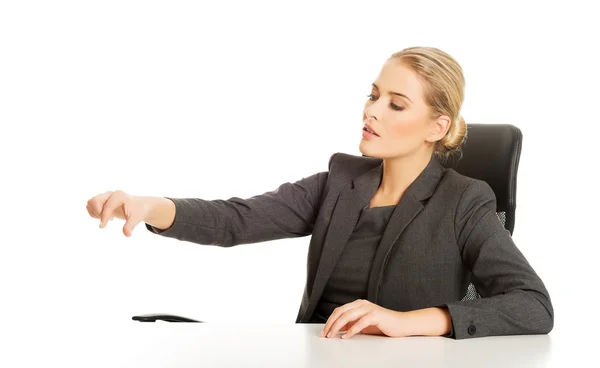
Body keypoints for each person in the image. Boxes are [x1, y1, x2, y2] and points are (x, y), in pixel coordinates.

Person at [86, 46, 553, 340]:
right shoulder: (340, 180)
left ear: (438, 126)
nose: (372, 111)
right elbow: (238, 219)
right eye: (373, 95)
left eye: (396, 104)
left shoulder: (465, 201)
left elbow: (532, 304)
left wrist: (411, 320)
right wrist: (150, 207)